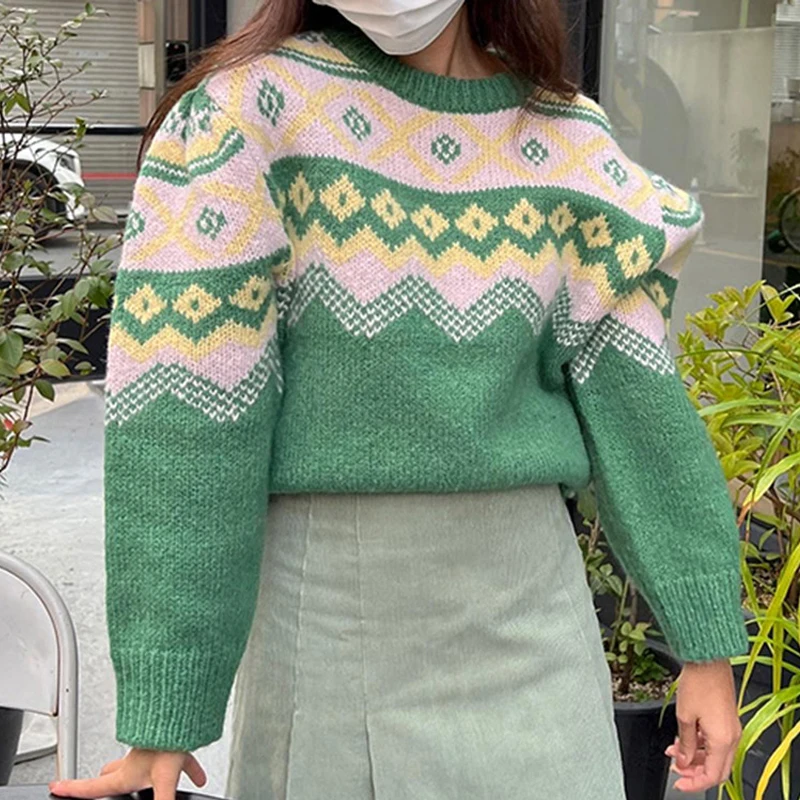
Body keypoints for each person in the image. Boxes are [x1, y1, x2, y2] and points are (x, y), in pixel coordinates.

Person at [49, 1, 749, 799]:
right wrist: (167, 702)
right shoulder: (244, 116)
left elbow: (640, 404)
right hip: (331, 629)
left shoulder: (568, 140)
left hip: (535, 623)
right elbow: (185, 420)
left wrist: (705, 647)